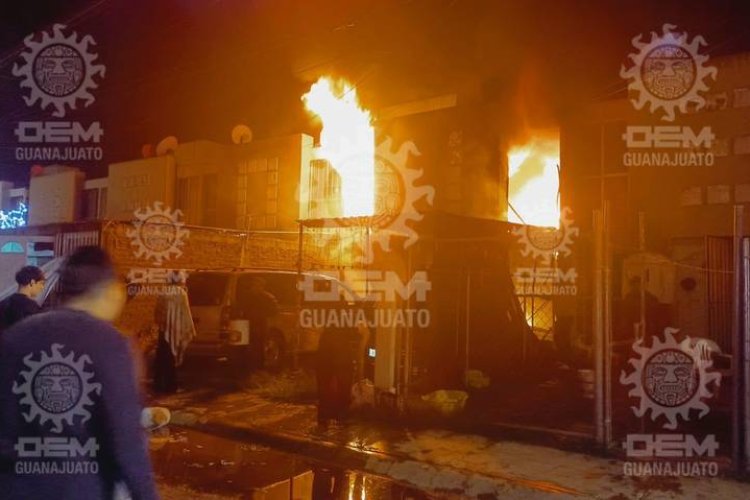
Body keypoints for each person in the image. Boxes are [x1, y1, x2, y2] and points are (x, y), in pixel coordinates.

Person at [0, 246, 157, 500]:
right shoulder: (110, 344)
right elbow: (126, 441)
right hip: (78, 489)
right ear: (108, 292)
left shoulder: (15, 337)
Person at [153, 274, 196, 394]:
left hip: (164, 330)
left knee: (161, 357)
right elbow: (185, 311)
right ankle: (171, 386)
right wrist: (188, 328)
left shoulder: (163, 292)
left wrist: (162, 324)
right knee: (172, 357)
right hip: (176, 329)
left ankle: (158, 385)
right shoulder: (181, 293)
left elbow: (158, 311)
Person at [240, 277, 279, 368]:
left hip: (261, 323)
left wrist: (263, 314)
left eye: (259, 285)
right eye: (254, 285)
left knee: (260, 345)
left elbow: (274, 311)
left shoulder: (267, 298)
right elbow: (241, 308)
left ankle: (259, 365)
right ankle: (248, 364)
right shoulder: (246, 296)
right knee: (248, 345)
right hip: (248, 324)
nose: (256, 287)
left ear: (262, 286)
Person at [0, 265, 45, 333]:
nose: (42, 287)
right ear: (32, 282)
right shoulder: (32, 307)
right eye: (41, 283)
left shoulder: (3, 303)